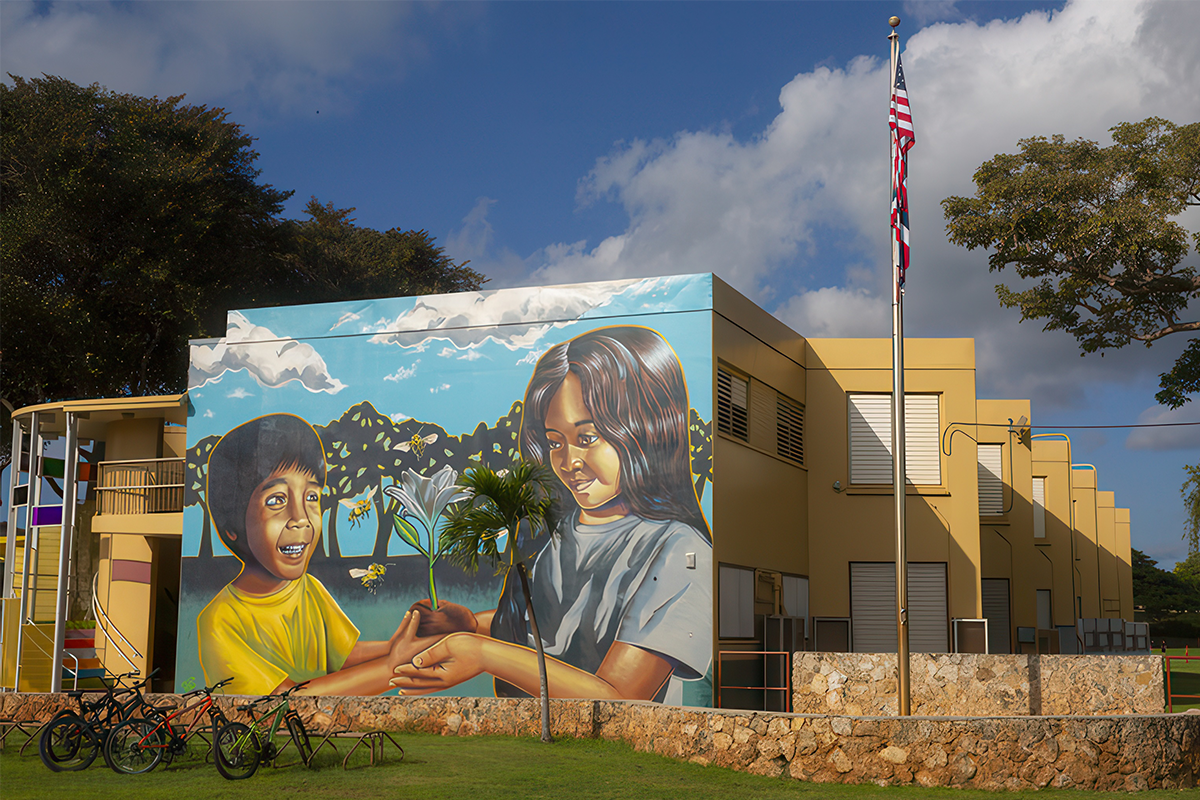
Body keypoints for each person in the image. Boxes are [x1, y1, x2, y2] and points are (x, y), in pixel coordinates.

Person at [391, 326, 713, 704]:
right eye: (554, 442)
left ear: (647, 430)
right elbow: (560, 621)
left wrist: (481, 653)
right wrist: (472, 625)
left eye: (588, 438)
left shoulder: (681, 552)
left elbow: (617, 697)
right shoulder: (558, 530)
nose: (568, 462)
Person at [197, 413, 427, 695]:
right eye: (277, 500)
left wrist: (396, 647)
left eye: (312, 497)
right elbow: (287, 700)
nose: (301, 518)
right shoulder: (219, 620)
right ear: (232, 526)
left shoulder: (309, 589)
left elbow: (343, 657)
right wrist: (392, 667)